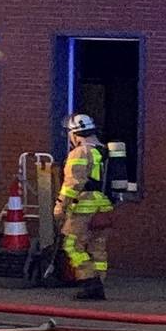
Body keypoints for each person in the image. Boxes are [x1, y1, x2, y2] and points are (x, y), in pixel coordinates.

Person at [57, 113, 114, 301]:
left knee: (72, 244)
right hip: (104, 206)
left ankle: (89, 282)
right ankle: (99, 285)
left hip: (85, 206)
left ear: (75, 133)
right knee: (98, 246)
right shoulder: (104, 150)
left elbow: (73, 183)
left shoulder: (80, 153)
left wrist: (60, 205)